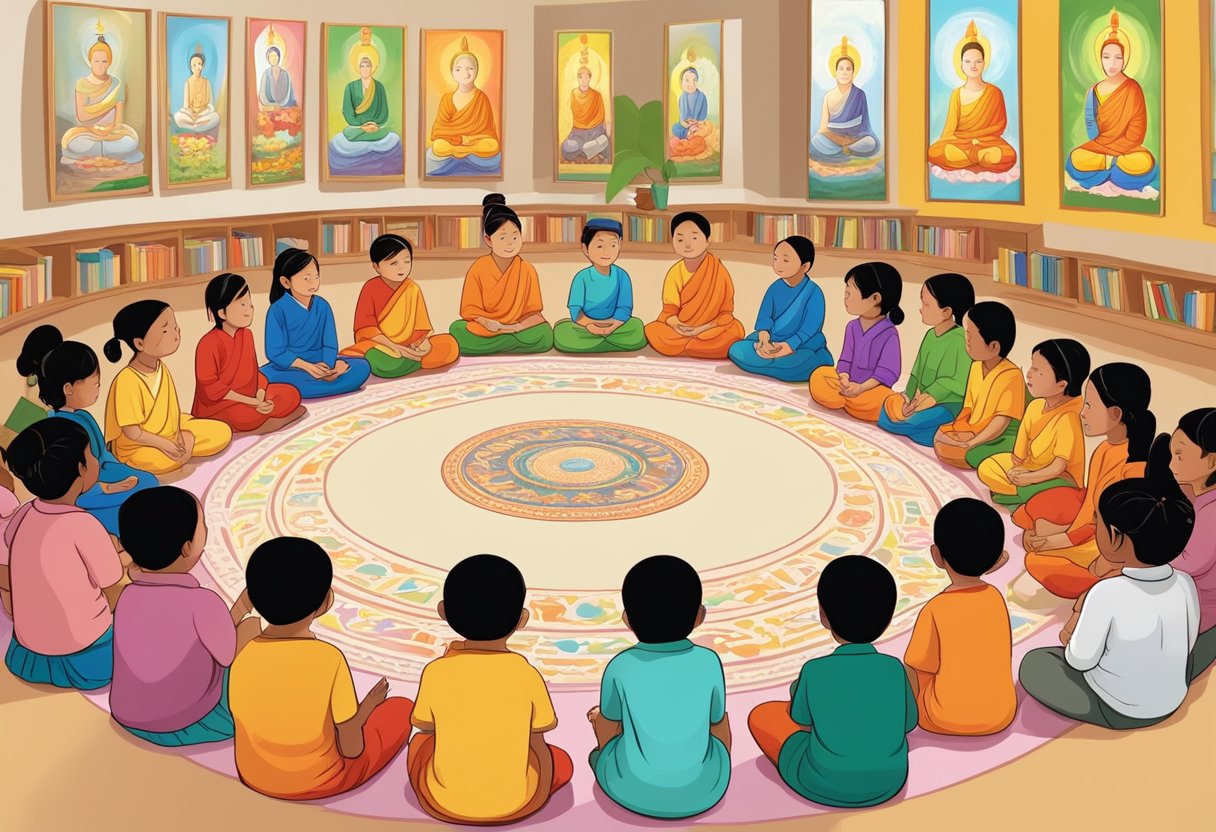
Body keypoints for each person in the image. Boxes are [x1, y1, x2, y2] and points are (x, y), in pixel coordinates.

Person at [1019, 437, 1214, 729]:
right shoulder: (1185, 583)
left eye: (1097, 522)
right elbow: (1185, 643)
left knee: (1035, 664)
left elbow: (1079, 660)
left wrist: (1070, 640)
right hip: (1173, 697)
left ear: (1117, 538)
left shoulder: (1106, 593)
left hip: (1118, 708)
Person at [230, 537, 412, 799]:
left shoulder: (243, 651)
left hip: (253, 773)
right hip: (320, 780)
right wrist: (368, 707)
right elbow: (352, 748)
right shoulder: (328, 658)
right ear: (326, 601)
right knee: (401, 708)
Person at [408, 554, 571, 824]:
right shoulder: (526, 674)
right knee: (560, 760)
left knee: (420, 742)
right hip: (518, 804)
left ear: (444, 612)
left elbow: (425, 726)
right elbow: (538, 743)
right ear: (521, 619)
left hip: (442, 803)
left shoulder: (436, 672)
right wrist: (538, 797)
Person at [748, 555, 915, 807]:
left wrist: (799, 691)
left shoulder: (815, 671)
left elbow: (801, 722)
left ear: (823, 615)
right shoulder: (894, 668)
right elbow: (908, 723)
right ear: (888, 618)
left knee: (761, 715)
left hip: (820, 782)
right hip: (891, 781)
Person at [110, 487, 261, 746]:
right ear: (187, 547)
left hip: (127, 712)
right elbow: (227, 655)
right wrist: (246, 624)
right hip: (189, 721)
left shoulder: (128, 595)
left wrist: (238, 609)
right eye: (203, 525)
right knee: (253, 631)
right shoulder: (202, 601)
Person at [588, 556, 731, 819]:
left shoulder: (621, 665)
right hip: (706, 790)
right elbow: (718, 724)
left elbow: (608, 728)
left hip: (629, 790)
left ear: (627, 619)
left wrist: (603, 749)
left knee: (600, 734)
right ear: (700, 616)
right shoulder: (709, 661)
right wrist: (723, 763)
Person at [0, 419, 125, 689]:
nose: (93, 460)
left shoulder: (23, 513)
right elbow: (113, 584)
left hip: (27, 654)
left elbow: (17, 550)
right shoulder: (84, 524)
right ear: (81, 470)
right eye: (90, 454)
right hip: (85, 654)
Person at [1015, 364, 1153, 599]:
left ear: (1116, 413)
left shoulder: (1135, 469)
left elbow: (1116, 536)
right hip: (1090, 528)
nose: (1083, 413)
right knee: (1040, 521)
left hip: (1108, 549)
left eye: (1089, 405)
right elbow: (1089, 509)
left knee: (1037, 560)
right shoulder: (1103, 449)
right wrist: (1062, 536)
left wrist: (1061, 541)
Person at [18, 325, 156, 537]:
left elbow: (103, 455)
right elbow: (71, 480)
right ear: (68, 389)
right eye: (94, 383)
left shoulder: (83, 416)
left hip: (102, 470)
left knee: (148, 481)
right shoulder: (59, 429)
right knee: (134, 511)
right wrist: (110, 487)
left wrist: (122, 470)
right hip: (86, 489)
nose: (98, 388)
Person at [904, 498, 1016, 735]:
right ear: (997, 558)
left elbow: (916, 666)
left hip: (941, 718)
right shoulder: (995, 598)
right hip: (1001, 715)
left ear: (936, 555)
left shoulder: (936, 608)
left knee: (906, 670)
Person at [103, 301, 232, 476]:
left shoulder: (161, 368)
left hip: (170, 430)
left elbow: (172, 415)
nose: (176, 332)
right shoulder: (127, 380)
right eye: (165, 329)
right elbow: (133, 433)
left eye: (175, 326)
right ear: (139, 344)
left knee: (222, 432)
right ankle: (182, 451)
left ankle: (183, 448)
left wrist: (179, 436)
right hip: (138, 445)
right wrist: (166, 444)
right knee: (161, 462)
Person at [977, 339, 1090, 507]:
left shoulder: (1070, 416)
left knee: (1051, 492)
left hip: (1058, 479)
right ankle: (1019, 494)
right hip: (1030, 468)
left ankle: (1020, 495)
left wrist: (1029, 478)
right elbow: (1018, 457)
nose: (1029, 373)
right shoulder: (1035, 406)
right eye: (1031, 366)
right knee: (987, 467)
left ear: (1061, 384)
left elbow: (1058, 467)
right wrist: (1018, 470)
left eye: (1037, 370)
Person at [194, 273, 304, 433]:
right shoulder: (208, 343)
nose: (249, 310)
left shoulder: (247, 335)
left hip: (250, 397)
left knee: (291, 393)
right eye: (242, 305)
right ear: (222, 313)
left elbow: (254, 373)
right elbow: (210, 389)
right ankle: (268, 422)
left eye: (249, 304)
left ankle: (267, 419)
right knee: (243, 416)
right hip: (223, 405)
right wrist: (252, 403)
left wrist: (259, 396)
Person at [1064, 10, 1157, 193]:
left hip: (1128, 149)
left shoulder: (1132, 88)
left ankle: (1108, 165)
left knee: (1145, 162)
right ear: (1100, 59)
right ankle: (1111, 164)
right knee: (1075, 158)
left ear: (1125, 59)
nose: (1112, 63)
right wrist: (1103, 148)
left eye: (1118, 57)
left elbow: (1137, 131)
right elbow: (1091, 126)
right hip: (1101, 146)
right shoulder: (1094, 90)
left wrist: (1117, 150)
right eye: (1106, 57)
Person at [341, 234, 460, 376]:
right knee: (376, 358)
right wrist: (394, 347)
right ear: (376, 267)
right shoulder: (370, 288)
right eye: (393, 263)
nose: (401, 268)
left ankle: (409, 362)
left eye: (406, 261)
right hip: (382, 345)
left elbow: (420, 327)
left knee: (449, 344)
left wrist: (424, 342)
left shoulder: (412, 288)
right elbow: (365, 329)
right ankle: (414, 362)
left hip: (409, 346)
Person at [449, 195, 554, 356]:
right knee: (458, 329)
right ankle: (511, 344)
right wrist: (487, 322)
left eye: (515, 236)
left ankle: (499, 344)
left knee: (545, 334)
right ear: (488, 240)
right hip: (487, 328)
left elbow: (534, 313)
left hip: (518, 327)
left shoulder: (526, 269)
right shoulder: (478, 268)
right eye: (503, 237)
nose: (510, 243)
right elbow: (469, 310)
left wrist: (514, 328)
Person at [261, 248, 372, 398]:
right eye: (306, 278)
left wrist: (327, 366)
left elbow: (330, 344)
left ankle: (316, 385)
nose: (313, 282)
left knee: (362, 367)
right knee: (263, 377)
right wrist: (307, 367)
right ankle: (322, 385)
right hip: (292, 367)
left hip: (320, 362)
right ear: (286, 282)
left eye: (316, 276)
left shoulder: (322, 305)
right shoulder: (277, 310)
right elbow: (276, 352)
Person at [879, 274, 975, 445]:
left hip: (947, 405)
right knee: (888, 407)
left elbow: (956, 383)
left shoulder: (961, 339)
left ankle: (924, 430)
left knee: (915, 421)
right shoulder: (930, 335)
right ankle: (920, 430)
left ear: (946, 311)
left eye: (926, 304)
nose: (921, 308)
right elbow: (916, 372)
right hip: (919, 400)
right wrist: (908, 397)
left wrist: (929, 397)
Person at [933, 302, 1026, 469]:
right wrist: (958, 429)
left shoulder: (1012, 375)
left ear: (994, 346)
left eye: (970, 337)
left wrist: (972, 442)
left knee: (971, 453)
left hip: (1000, 436)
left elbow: (1001, 422)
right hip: (973, 429)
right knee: (940, 437)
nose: (966, 341)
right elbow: (968, 408)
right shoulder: (975, 367)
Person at [728, 235, 833, 382]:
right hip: (774, 336)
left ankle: (805, 363)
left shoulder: (814, 293)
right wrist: (764, 338)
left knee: (797, 362)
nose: (778, 265)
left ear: (805, 266)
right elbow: (765, 318)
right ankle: (775, 366)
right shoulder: (775, 288)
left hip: (802, 343)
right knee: (736, 349)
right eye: (775, 258)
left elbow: (809, 329)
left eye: (785, 260)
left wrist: (788, 346)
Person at [809, 262, 904, 421]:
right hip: (846, 385)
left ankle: (847, 402)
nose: (845, 298)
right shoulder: (852, 327)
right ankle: (844, 400)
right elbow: (845, 359)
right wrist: (844, 378)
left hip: (870, 390)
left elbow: (888, 372)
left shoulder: (890, 333)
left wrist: (861, 388)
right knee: (819, 375)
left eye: (849, 294)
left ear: (875, 298)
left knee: (887, 399)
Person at [644, 212, 744, 359]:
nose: (688, 244)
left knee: (735, 329)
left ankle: (691, 347)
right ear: (673, 241)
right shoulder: (675, 272)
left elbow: (726, 313)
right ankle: (695, 347)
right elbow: (668, 312)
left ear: (708, 240)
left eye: (694, 238)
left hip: (710, 329)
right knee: (652, 330)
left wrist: (703, 328)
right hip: (680, 330)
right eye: (680, 239)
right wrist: (677, 325)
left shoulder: (718, 270)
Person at [927, 23, 1017, 174]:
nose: (973, 66)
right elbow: (949, 131)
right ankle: (977, 158)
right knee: (934, 151)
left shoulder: (994, 92)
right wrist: (967, 142)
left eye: (978, 61)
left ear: (984, 64)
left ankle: (969, 158)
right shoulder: (956, 94)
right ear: (961, 65)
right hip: (961, 143)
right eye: (968, 62)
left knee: (1009, 154)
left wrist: (979, 141)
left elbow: (999, 126)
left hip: (987, 143)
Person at [1169, 408, 1216, 674]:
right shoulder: (1196, 497)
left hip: (1199, 613)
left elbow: (1189, 563)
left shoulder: (1212, 511)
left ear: (1211, 462)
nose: (1171, 464)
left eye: (1179, 456)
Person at [554, 219, 647, 353]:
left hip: (614, 325)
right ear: (585, 248)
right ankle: (608, 343)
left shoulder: (622, 276)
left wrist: (612, 326)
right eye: (599, 246)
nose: (606, 252)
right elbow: (575, 311)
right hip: (586, 326)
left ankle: (598, 343)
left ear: (620, 246)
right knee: (562, 330)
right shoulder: (582, 277)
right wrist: (590, 326)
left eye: (613, 245)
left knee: (636, 327)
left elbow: (625, 308)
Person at [59, 25, 143, 166]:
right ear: (90, 61)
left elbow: (119, 120)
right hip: (88, 133)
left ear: (109, 63)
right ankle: (106, 153)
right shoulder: (81, 83)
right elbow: (82, 117)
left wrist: (111, 130)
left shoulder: (117, 84)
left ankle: (104, 151)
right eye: (96, 61)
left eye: (104, 61)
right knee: (75, 144)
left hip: (112, 135)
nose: (100, 65)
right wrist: (105, 109)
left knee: (130, 142)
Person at [326, 27, 403, 177]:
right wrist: (362, 125)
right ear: (357, 67)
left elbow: (384, 113)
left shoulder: (379, 87)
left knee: (393, 138)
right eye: (362, 65)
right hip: (356, 129)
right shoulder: (350, 87)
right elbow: (347, 112)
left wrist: (374, 124)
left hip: (376, 128)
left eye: (368, 65)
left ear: (373, 66)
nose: (365, 68)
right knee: (342, 137)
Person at [426, 37, 502, 176]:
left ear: (477, 71)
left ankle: (462, 152)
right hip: (452, 142)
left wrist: (469, 140)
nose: (465, 73)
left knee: (493, 145)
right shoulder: (447, 99)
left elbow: (488, 130)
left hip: (475, 142)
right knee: (438, 146)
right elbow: (439, 128)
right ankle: (462, 150)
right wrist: (459, 139)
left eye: (470, 68)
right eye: (459, 69)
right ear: (452, 72)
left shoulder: (482, 98)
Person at [809, 37, 881, 164]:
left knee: (871, 143)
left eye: (848, 69)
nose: (844, 73)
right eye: (840, 69)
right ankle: (845, 149)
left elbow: (865, 125)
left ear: (854, 73)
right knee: (816, 140)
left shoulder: (860, 95)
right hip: (833, 137)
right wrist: (839, 139)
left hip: (856, 137)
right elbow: (823, 128)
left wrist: (851, 140)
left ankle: (843, 150)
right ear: (834, 72)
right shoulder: (828, 96)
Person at [561, 52, 610, 163]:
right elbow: (574, 116)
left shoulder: (596, 95)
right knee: (566, 147)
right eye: (581, 77)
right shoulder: (574, 93)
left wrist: (597, 129)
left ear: (590, 79)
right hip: (578, 133)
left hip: (594, 132)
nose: (584, 80)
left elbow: (600, 117)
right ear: (577, 79)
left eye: (587, 77)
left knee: (604, 141)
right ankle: (587, 151)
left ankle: (584, 152)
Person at [173, 47, 221, 133]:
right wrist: (192, 115)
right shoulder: (188, 83)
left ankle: (195, 128)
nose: (197, 67)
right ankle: (197, 127)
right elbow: (186, 106)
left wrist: (201, 114)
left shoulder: (207, 82)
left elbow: (210, 104)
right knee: (177, 117)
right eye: (194, 65)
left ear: (202, 66)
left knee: (216, 117)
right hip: (190, 116)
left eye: (199, 64)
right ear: (191, 67)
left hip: (203, 115)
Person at [670, 66, 713, 159]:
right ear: (681, 82)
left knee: (704, 130)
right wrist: (685, 123)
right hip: (686, 125)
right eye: (687, 80)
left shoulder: (702, 97)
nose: (691, 84)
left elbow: (703, 116)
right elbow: (682, 117)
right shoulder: (682, 97)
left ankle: (691, 134)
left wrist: (696, 123)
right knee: (675, 128)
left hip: (698, 124)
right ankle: (688, 134)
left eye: (694, 80)